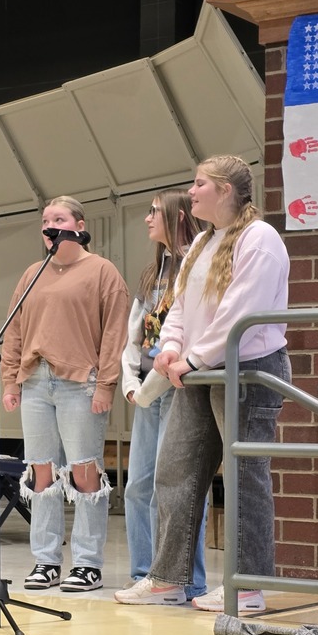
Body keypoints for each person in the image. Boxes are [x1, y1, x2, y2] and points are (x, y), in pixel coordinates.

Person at [117, 155, 291, 612]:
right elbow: (180, 308)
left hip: (248, 371)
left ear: (226, 191)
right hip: (198, 370)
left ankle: (247, 588)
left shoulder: (260, 240)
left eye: (199, 184)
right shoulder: (201, 245)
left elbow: (241, 314)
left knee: (243, 476)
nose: (190, 192)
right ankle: (169, 579)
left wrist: (192, 358)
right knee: (174, 471)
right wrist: (172, 349)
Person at [1, 196, 129, 592]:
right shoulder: (33, 273)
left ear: (78, 225)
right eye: (45, 219)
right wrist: (10, 379)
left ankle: (87, 564)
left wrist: (106, 384)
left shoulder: (102, 271)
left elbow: (115, 333)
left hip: (81, 383)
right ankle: (46, 560)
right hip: (36, 380)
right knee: (41, 470)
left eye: (58, 218)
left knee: (84, 471)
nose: (49, 225)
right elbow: (15, 329)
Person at [114, 189, 207, 605]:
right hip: (147, 393)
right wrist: (131, 384)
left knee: (179, 489)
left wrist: (150, 388)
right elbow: (134, 337)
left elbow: (191, 336)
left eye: (154, 212)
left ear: (177, 216)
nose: (147, 219)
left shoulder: (197, 266)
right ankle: (145, 574)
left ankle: (189, 581)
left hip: (178, 390)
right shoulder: (152, 274)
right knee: (137, 487)